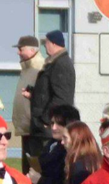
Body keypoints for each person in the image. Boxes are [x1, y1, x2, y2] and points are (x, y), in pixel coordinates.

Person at [29, 30, 76, 158]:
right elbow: (47, 91)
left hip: (49, 128)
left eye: (46, 43)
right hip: (45, 127)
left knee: (45, 164)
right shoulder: (54, 62)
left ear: (54, 43)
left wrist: (46, 119)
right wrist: (33, 94)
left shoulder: (61, 64)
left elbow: (62, 97)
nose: (45, 46)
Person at [12, 35, 45, 174]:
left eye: (21, 49)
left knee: (35, 169)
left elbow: (44, 96)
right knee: (27, 169)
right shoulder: (26, 68)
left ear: (32, 50)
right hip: (26, 127)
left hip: (35, 129)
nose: (18, 52)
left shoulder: (40, 68)